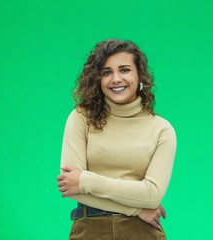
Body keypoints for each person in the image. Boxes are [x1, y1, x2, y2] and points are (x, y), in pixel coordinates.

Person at [57, 39, 177, 240]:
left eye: (124, 70)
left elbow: (152, 195)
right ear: (97, 78)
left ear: (140, 75)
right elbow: (71, 187)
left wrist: (85, 180)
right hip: (90, 231)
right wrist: (137, 210)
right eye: (106, 72)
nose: (116, 79)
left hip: (142, 232)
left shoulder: (161, 129)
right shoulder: (81, 118)